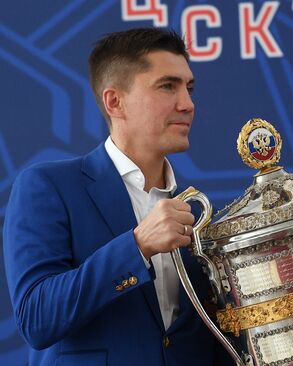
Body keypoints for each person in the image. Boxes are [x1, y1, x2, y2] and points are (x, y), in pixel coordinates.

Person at [3, 28, 229, 365]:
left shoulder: (200, 209)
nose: (187, 104)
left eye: (189, 87)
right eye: (168, 86)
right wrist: (137, 246)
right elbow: (37, 319)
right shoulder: (47, 186)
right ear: (114, 101)